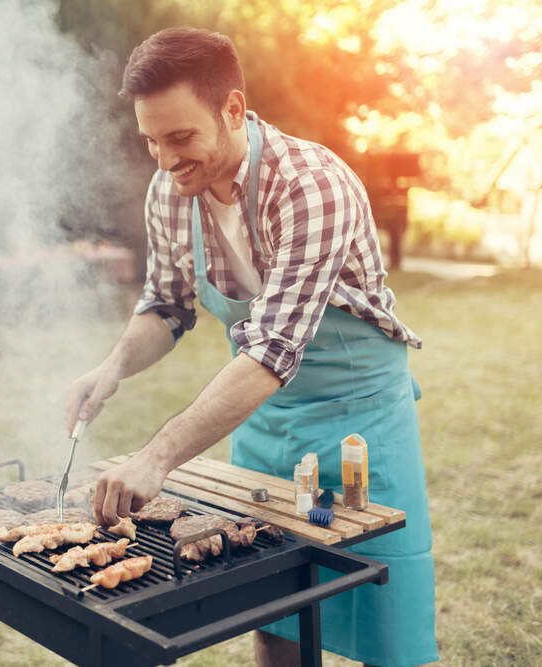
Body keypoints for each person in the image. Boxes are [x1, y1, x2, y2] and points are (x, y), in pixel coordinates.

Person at [65, 28, 436, 667]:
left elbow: (271, 351)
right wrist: (112, 367)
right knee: (275, 616)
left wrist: (158, 458)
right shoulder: (169, 192)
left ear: (233, 109)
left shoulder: (312, 185)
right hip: (261, 421)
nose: (164, 159)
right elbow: (166, 305)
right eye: (150, 140)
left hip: (359, 424)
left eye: (180, 138)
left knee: (389, 624)